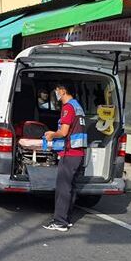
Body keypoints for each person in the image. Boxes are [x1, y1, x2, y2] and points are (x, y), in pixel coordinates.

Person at [42, 81, 87, 231]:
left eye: (56, 90)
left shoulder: (68, 108)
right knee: (70, 187)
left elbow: (64, 132)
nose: (56, 94)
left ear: (62, 90)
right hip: (78, 153)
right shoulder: (78, 106)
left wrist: (51, 135)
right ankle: (66, 219)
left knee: (63, 188)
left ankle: (60, 222)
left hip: (70, 153)